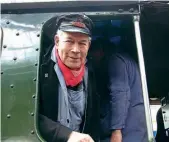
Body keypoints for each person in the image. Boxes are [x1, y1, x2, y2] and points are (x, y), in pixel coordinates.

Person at [38, 14, 100, 142]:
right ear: (57, 41)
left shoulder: (91, 71)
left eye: (82, 43)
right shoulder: (40, 67)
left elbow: (93, 116)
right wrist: (67, 135)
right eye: (69, 41)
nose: (76, 50)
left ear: (89, 45)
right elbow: (26, 115)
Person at [100, 51, 148, 142]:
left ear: (101, 50)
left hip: (124, 134)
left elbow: (120, 95)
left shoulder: (116, 60)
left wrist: (116, 130)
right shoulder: (129, 61)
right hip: (137, 132)